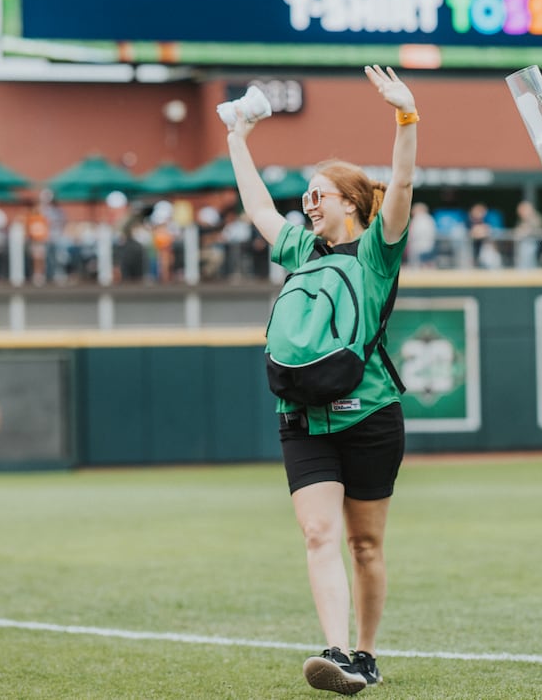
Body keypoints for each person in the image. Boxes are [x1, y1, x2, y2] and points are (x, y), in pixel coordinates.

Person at [226, 64, 419, 695]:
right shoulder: (301, 250)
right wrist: (238, 138)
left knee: (365, 544)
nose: (308, 203)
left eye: (320, 194)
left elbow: (403, 188)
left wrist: (405, 117)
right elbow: (256, 205)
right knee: (318, 532)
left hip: (370, 415)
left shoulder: (375, 253)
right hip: (304, 416)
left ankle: (364, 653)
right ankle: (335, 651)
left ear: (352, 204)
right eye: (305, 195)